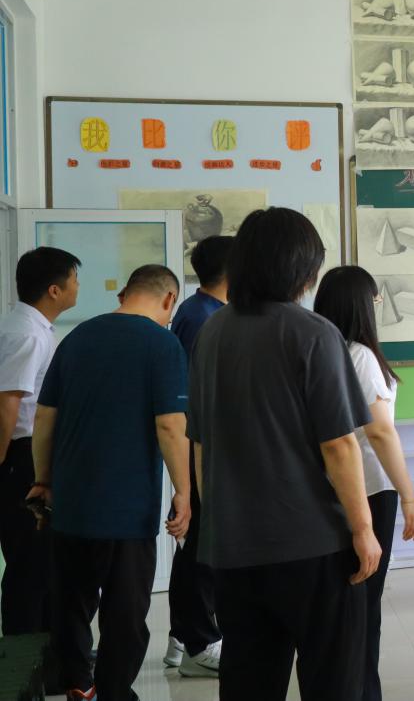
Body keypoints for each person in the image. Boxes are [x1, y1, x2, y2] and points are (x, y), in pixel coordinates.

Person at [186, 207, 380, 701]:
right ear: (303, 268)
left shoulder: (212, 333)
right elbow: (339, 444)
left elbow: (201, 443)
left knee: (249, 682)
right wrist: (363, 529)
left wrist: (218, 523)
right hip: (313, 545)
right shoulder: (313, 333)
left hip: (235, 548)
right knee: (333, 681)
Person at [28, 264, 192, 701]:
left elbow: (44, 418)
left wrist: (43, 480)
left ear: (124, 293)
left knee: (71, 601)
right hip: (127, 508)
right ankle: (116, 691)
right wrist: (184, 491)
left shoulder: (77, 338)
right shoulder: (163, 344)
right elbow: (170, 426)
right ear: (169, 299)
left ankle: (78, 683)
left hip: (71, 504)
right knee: (125, 610)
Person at [314, 266, 414, 701]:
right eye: (375, 298)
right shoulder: (359, 355)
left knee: (354, 599)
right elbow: (380, 432)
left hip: (343, 488)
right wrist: (409, 495)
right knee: (364, 602)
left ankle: (356, 687)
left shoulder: (328, 349)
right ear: (361, 303)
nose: (378, 305)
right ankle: (362, 690)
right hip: (372, 488)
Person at [0, 247, 80, 635]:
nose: (77, 287)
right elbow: (8, 404)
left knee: (42, 560)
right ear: (54, 289)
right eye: (74, 279)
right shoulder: (27, 335)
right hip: (20, 456)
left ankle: (49, 652)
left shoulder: (30, 327)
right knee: (28, 563)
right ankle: (25, 656)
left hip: (27, 454)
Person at [165, 235, 233, 678]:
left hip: (204, 444)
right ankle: (198, 643)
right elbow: (194, 396)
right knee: (202, 545)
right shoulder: (203, 317)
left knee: (196, 544)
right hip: (200, 447)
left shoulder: (203, 311)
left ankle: (183, 636)